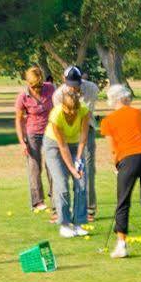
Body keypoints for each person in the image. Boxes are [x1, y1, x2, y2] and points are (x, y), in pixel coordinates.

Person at [100, 83, 141, 258]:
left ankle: (121, 245)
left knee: (123, 202)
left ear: (112, 100)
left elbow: (113, 149)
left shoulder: (108, 121)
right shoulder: (138, 113)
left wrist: (116, 166)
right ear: (125, 97)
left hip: (128, 159)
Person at [42, 82, 92, 238]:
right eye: (68, 110)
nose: (71, 113)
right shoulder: (56, 115)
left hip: (75, 144)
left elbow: (83, 138)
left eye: (73, 110)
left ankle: (78, 223)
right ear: (62, 106)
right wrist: (72, 169)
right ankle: (64, 224)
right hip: (54, 146)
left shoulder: (83, 111)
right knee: (62, 184)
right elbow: (62, 146)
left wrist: (78, 160)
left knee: (82, 184)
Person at [14, 67, 55, 217]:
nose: (36, 89)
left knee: (52, 165)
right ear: (28, 83)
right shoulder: (23, 97)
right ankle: (38, 202)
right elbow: (18, 121)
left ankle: (55, 198)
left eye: (39, 86)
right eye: (33, 86)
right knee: (34, 168)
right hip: (33, 135)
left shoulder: (50, 88)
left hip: (51, 133)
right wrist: (22, 142)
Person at [61, 65, 98, 224]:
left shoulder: (91, 88)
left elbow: (85, 115)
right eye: (71, 83)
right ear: (64, 80)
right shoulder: (59, 94)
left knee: (87, 168)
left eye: (77, 82)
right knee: (64, 169)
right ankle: (62, 209)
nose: (74, 86)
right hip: (67, 131)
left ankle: (89, 208)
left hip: (86, 129)